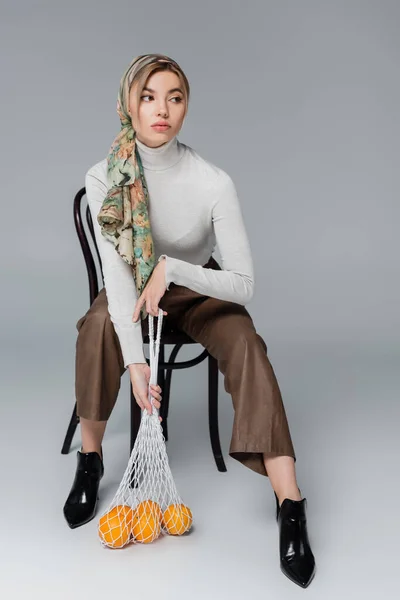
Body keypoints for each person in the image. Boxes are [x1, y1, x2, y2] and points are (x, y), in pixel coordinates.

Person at [63, 54, 316, 588]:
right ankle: (90, 462)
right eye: (149, 96)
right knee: (96, 327)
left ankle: (290, 504)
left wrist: (174, 268)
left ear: (186, 107)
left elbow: (244, 284)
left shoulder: (212, 181)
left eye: (174, 97)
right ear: (128, 103)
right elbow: (119, 277)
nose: (162, 109)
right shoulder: (105, 176)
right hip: (132, 293)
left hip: (196, 289)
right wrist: (136, 365)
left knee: (247, 341)